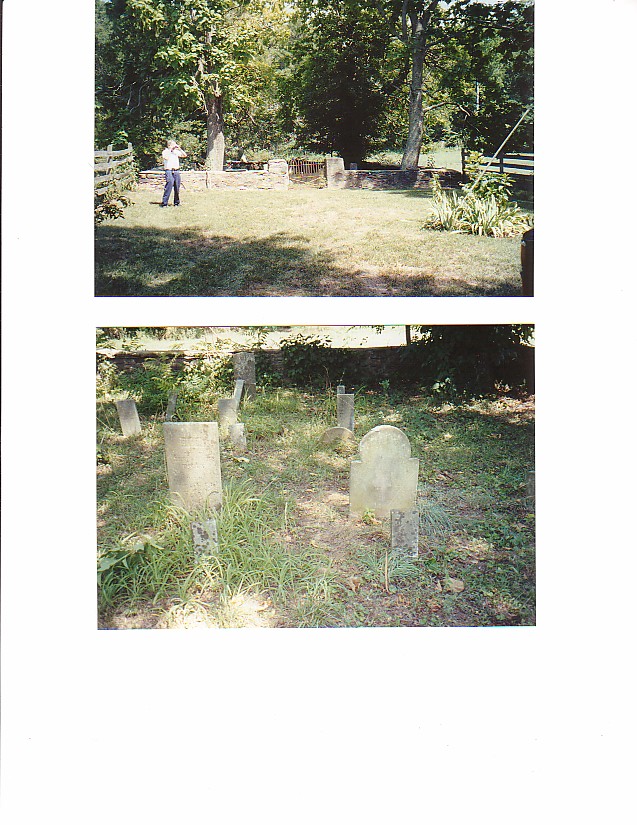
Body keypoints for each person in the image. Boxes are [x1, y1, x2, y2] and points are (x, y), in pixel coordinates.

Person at [160, 140, 187, 207]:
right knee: (169, 186)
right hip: (169, 171)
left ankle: (176, 203)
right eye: (173, 145)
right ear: (169, 145)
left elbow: (184, 155)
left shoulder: (176, 152)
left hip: (176, 171)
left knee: (177, 187)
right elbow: (166, 157)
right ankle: (164, 203)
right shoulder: (165, 152)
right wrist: (171, 150)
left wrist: (180, 149)